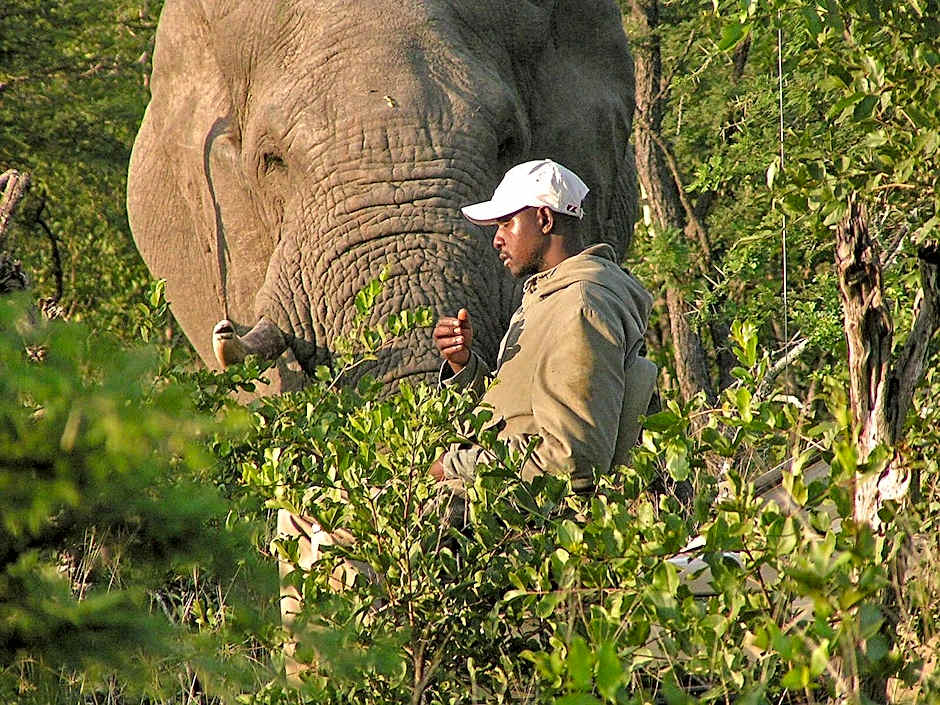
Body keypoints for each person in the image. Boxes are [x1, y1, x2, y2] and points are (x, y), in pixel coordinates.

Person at [429, 159, 654, 500]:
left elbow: (572, 459)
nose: (497, 240)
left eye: (506, 223)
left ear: (544, 219)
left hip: (538, 523)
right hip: (509, 499)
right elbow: (515, 415)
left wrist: (455, 466)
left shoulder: (581, 305)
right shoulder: (547, 299)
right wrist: (464, 365)